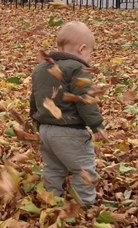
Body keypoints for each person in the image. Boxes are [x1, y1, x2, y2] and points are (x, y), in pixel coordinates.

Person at [29, 21, 106, 207]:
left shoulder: (40, 69)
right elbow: (84, 99)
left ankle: (51, 200)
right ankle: (84, 205)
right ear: (82, 48)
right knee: (84, 170)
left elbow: (35, 98)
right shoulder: (77, 68)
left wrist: (36, 122)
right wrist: (97, 125)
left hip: (46, 130)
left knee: (53, 169)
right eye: (89, 53)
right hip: (69, 131)